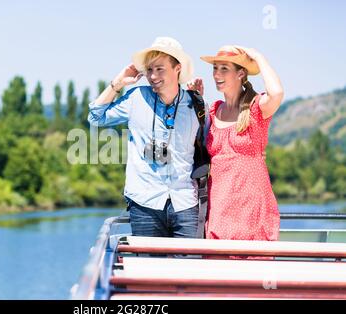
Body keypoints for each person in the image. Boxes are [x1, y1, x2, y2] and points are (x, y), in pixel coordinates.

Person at [88, 37, 204, 238]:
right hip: (144, 203)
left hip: (184, 203)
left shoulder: (195, 103)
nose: (153, 76)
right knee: (148, 269)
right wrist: (117, 83)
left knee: (188, 268)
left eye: (160, 69)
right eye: (149, 70)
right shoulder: (136, 98)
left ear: (177, 68)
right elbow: (95, 117)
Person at [189, 45, 284, 242]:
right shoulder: (214, 110)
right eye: (215, 68)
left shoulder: (256, 108)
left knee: (252, 269)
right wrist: (196, 100)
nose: (217, 74)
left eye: (224, 68)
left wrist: (258, 56)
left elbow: (276, 93)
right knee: (219, 269)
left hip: (252, 206)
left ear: (241, 73)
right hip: (219, 206)